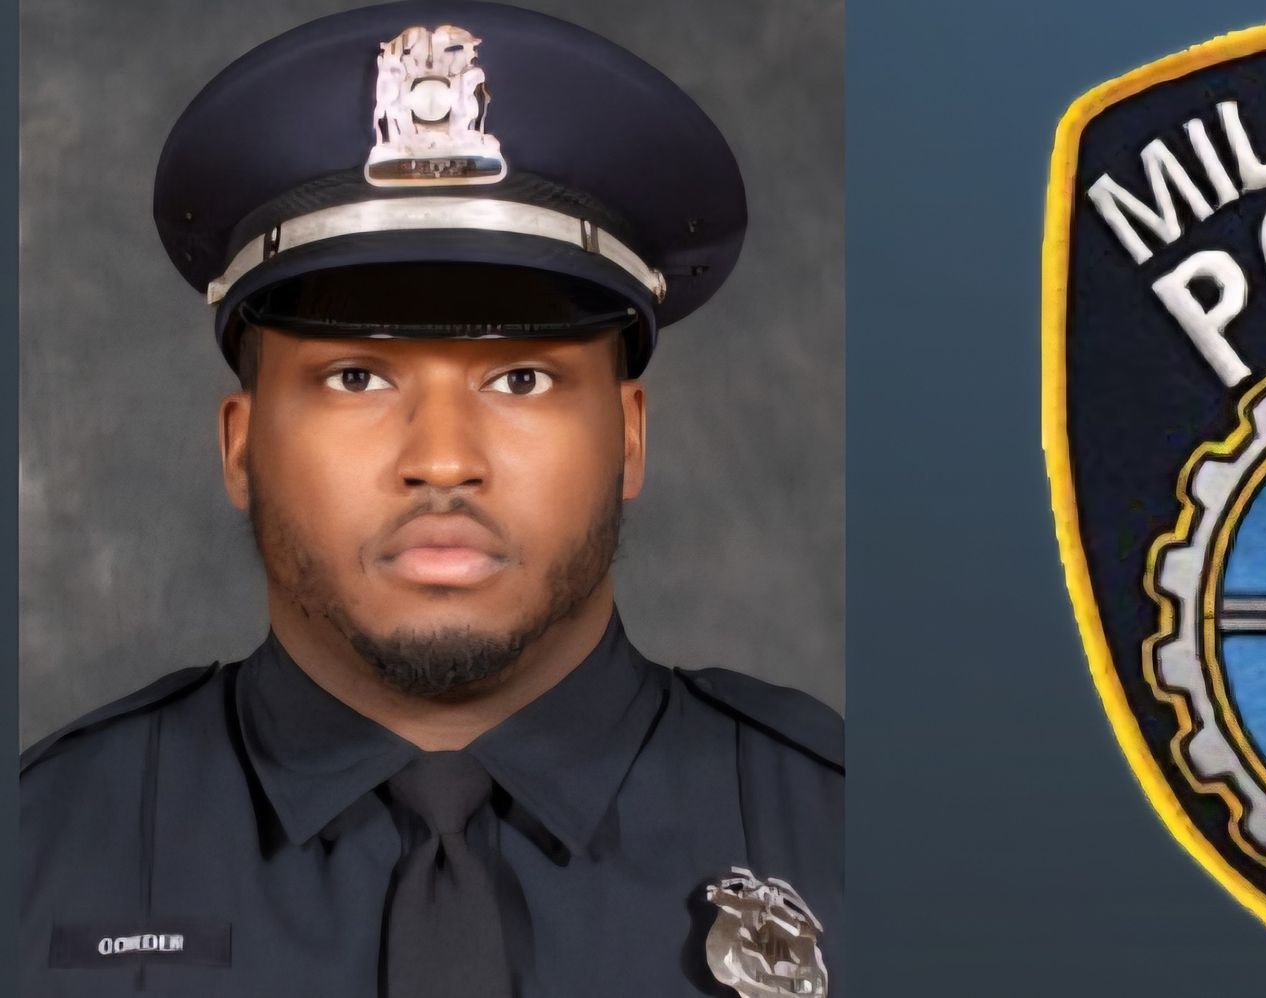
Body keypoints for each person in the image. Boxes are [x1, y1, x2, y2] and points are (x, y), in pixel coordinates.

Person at [18, 3, 842, 996]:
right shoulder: (38, 851)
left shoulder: (859, 830)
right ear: (240, 446)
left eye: (521, 378)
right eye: (358, 378)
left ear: (630, 436)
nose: (443, 459)